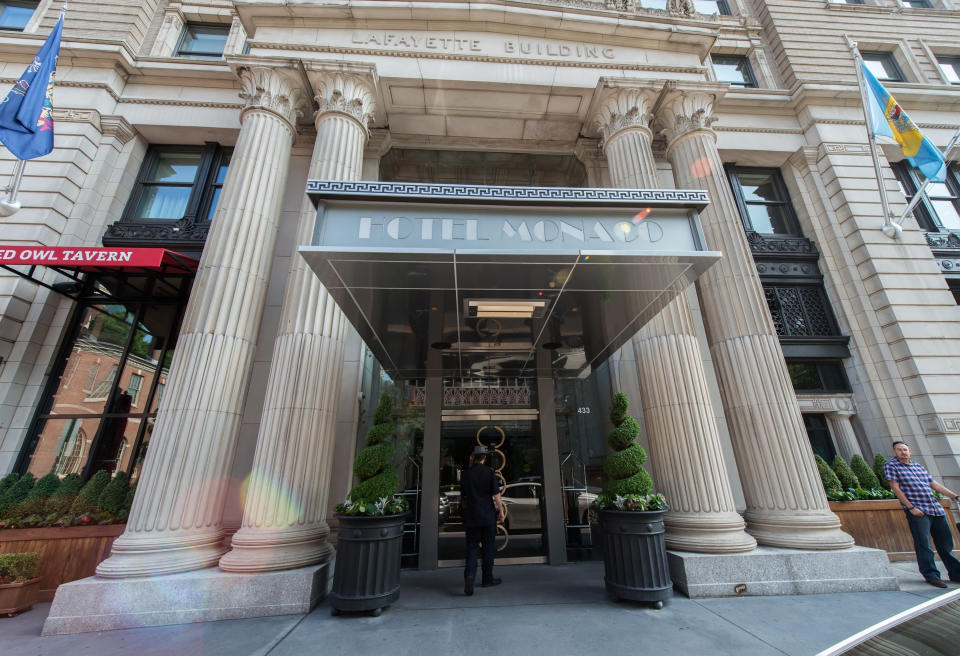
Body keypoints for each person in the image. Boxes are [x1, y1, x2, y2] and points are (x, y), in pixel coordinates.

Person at [884, 441, 960, 588]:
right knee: (923, 544)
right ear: (895, 452)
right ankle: (931, 575)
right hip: (918, 510)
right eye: (899, 450)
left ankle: (956, 573)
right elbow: (896, 488)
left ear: (910, 451)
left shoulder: (918, 466)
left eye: (905, 450)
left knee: (946, 543)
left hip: (935, 508)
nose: (903, 452)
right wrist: (911, 507)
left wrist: (955, 496)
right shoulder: (891, 466)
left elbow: (934, 484)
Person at [460, 444, 505, 595]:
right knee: (488, 547)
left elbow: (464, 496)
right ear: (484, 458)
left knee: (472, 547)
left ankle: (470, 576)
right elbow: (496, 495)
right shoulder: (489, 472)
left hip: (472, 516)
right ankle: (487, 578)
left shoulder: (466, 474)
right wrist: (501, 511)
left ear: (473, 457)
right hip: (487, 516)